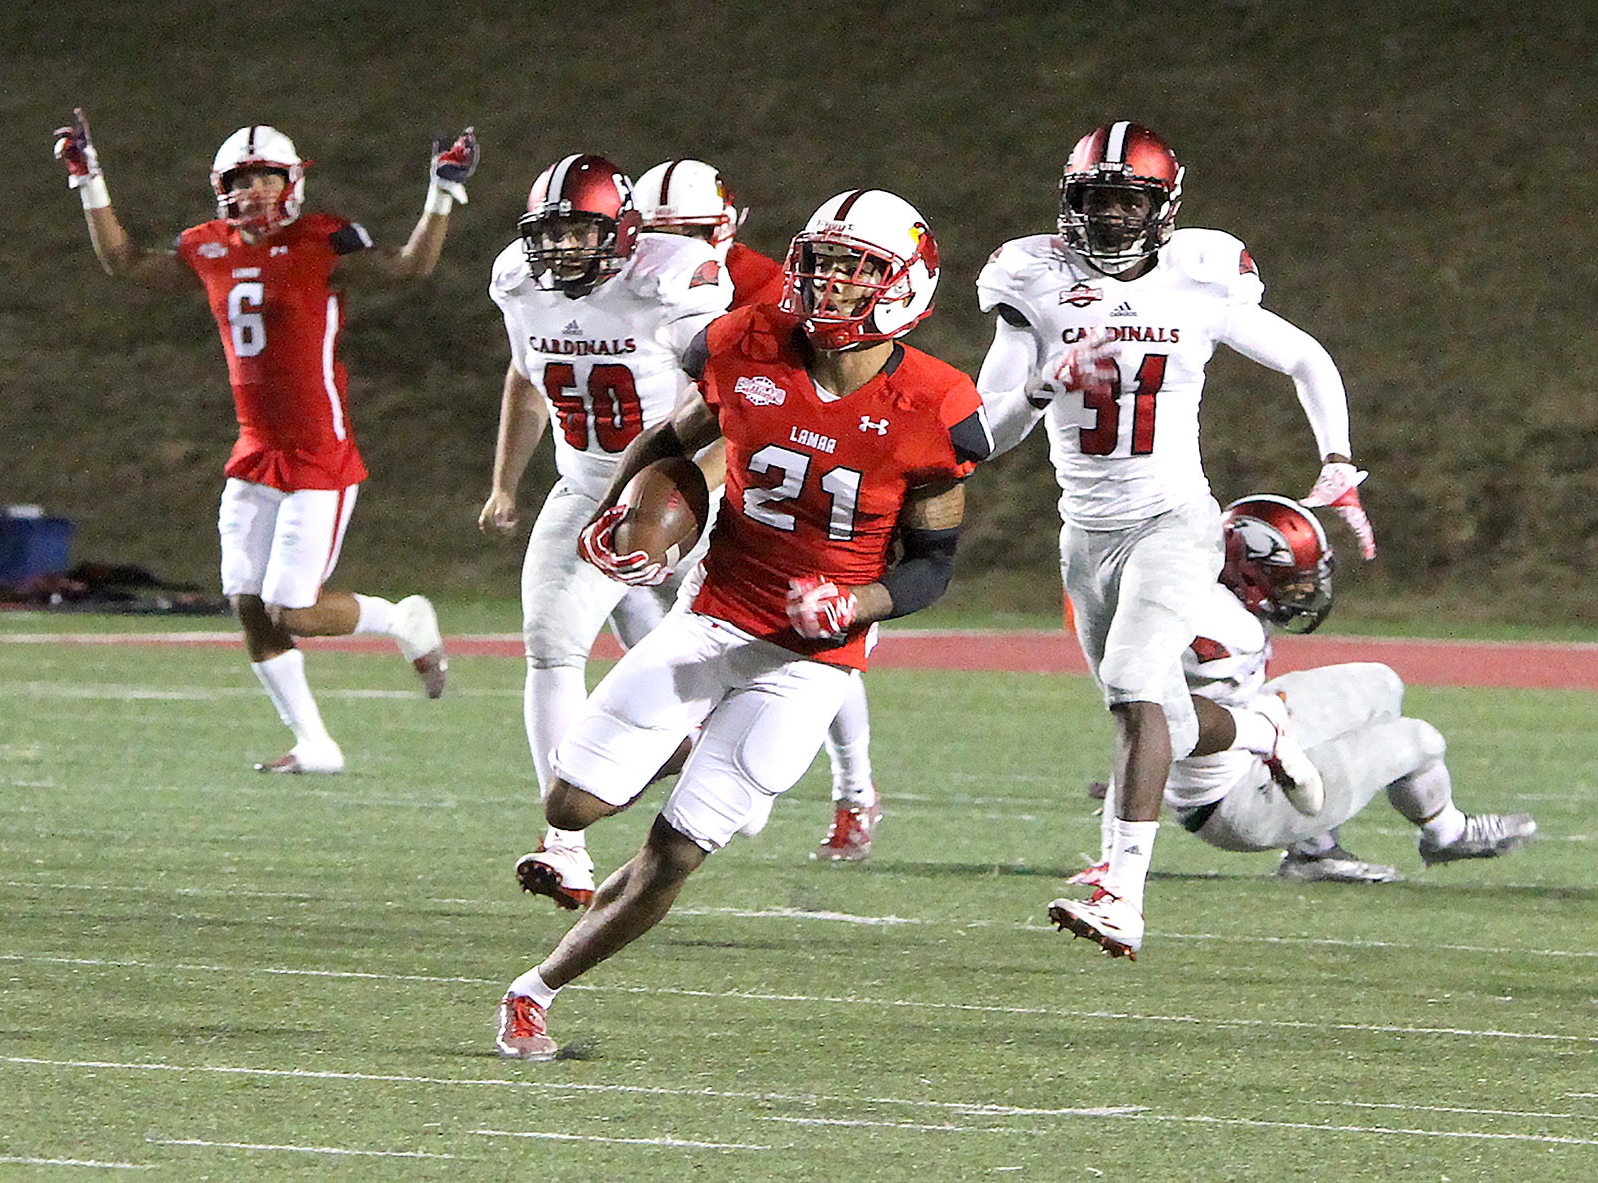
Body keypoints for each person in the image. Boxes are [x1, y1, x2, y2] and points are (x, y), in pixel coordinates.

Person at [495, 188, 994, 1059]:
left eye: (856, 268)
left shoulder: (939, 405)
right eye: (824, 260)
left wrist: (856, 603)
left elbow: (931, 567)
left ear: (908, 282)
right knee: (569, 801)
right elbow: (669, 441)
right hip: (714, 616)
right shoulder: (742, 344)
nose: (831, 281)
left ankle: (533, 992)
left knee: (674, 854)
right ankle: (690, 743)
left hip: (811, 660)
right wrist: (616, 518)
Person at [976, 120, 1376, 959]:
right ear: (1069, 203)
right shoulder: (1032, 277)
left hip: (1174, 519)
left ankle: (1122, 893)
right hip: (1085, 533)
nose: (1114, 218)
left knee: (1132, 688)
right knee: (1151, 709)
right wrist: (1044, 386)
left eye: (1131, 201)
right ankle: (1262, 730)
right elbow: (986, 433)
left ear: (1163, 208)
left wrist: (1337, 459)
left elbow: (1306, 358)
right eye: (1098, 200)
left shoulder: (1201, 275)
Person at [53, 110, 477, 773]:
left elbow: (409, 267)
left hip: (317, 454)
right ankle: (316, 742)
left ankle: (401, 620)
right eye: (241, 181)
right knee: (248, 603)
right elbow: (126, 261)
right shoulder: (207, 245)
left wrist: (442, 191)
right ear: (222, 186)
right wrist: (89, 179)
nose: (253, 192)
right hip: (255, 452)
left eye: (265, 180)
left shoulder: (322, 242)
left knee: (295, 611)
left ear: (292, 183)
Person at [478, 154, 736, 909]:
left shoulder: (673, 276)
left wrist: (683, 501)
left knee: (722, 659)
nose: (560, 251)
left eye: (579, 233)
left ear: (624, 231)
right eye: (549, 234)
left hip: (687, 487)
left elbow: (735, 402)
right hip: (589, 485)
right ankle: (564, 845)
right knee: (551, 644)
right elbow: (525, 379)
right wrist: (505, 481)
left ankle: (708, 765)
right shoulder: (519, 283)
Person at [1071, 495, 1536, 895]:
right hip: (1237, 804)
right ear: (1249, 571)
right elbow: (1175, 718)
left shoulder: (1197, 591)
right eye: (1290, 578)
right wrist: (1137, 776)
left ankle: (1315, 852)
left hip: (1235, 743)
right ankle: (1447, 835)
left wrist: (1134, 766)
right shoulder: (1222, 628)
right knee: (1419, 739)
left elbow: (1154, 705)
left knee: (1380, 684)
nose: (1303, 591)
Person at [634, 158, 880, 860]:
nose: (675, 246)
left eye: (689, 231)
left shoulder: (773, 291)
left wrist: (693, 488)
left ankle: (854, 788)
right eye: (660, 233)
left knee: (819, 629)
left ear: (725, 226)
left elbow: (755, 422)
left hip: (773, 473)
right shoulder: (633, 278)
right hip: (680, 456)